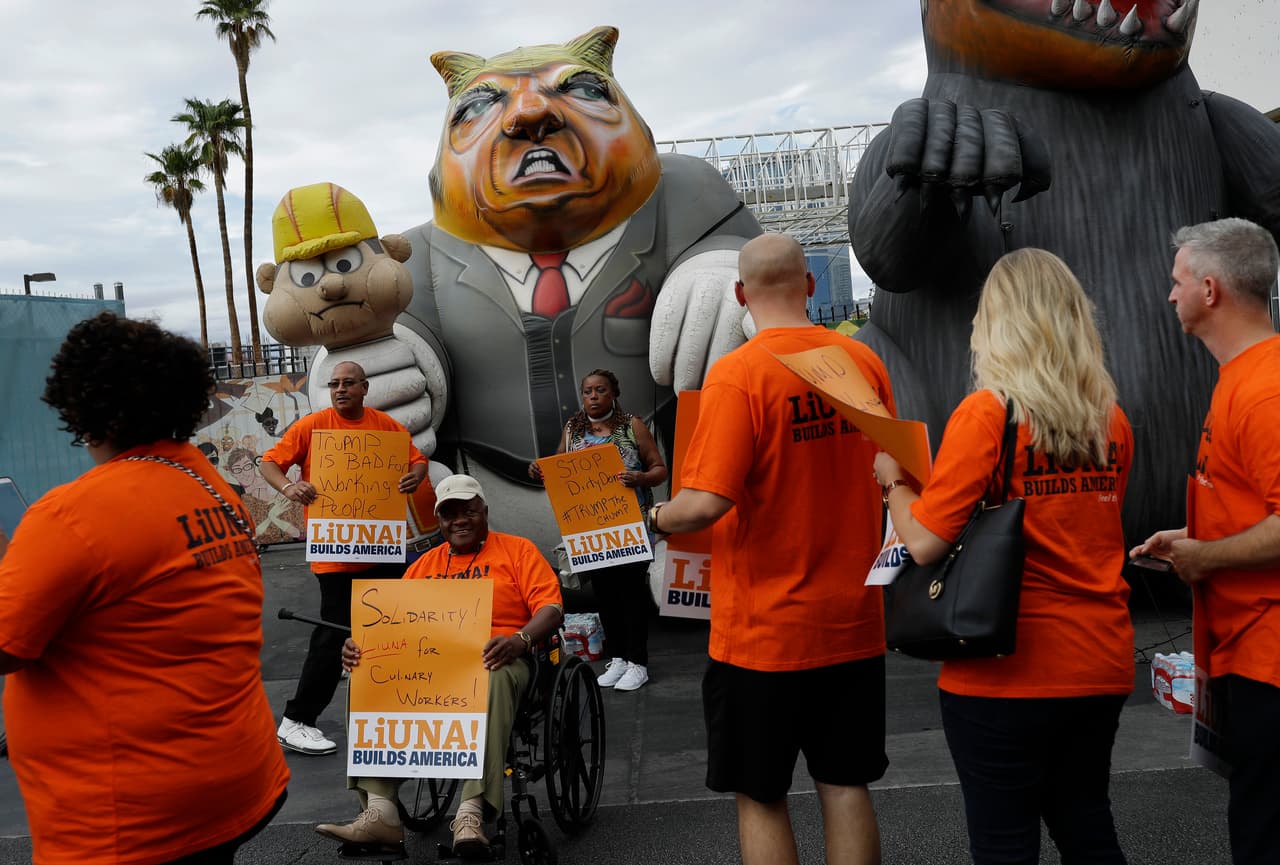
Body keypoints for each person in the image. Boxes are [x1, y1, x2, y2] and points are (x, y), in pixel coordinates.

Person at [0, 312, 290, 864]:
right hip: (232, 780)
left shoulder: (70, 514)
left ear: (81, 409)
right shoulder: (208, 486)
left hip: (131, 820)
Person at [875, 248, 1134, 865]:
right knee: (1088, 828)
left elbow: (928, 541)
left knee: (1003, 844)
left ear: (998, 325)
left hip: (1002, 669)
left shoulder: (988, 414)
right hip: (1099, 658)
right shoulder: (1111, 420)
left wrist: (896, 484)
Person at [648, 233, 892, 865]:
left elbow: (704, 503)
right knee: (845, 783)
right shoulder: (861, 362)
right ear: (810, 286)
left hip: (764, 633)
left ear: (739, 296)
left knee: (761, 794)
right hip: (854, 619)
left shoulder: (740, 373)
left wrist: (657, 514)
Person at [1131, 218, 1280, 865]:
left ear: (1211, 289)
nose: (1170, 295)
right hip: (1248, 651)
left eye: (1178, 281)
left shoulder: (1265, 387)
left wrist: (1207, 555)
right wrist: (1196, 535)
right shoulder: (1243, 377)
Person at [316, 474, 564, 857]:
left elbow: (550, 608)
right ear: (440, 522)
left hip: (500, 657)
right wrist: (360, 645)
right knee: (365, 675)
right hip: (432, 667)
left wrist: (520, 640)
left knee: (491, 676)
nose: (460, 520)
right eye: (450, 515)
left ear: (485, 512)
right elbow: (391, 623)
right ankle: (381, 810)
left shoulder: (517, 551)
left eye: (469, 511)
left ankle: (471, 811)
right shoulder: (425, 564)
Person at [260, 360, 429, 755]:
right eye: (334, 384)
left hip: (381, 547)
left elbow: (416, 459)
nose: (340, 389)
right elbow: (268, 463)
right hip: (336, 554)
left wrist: (416, 476)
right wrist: (288, 488)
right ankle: (297, 720)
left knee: (386, 633)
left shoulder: (385, 426)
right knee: (334, 634)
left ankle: (386, 715)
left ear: (365, 387)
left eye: (348, 383)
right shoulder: (312, 427)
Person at [530, 368, 667, 691]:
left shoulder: (632, 426)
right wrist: (538, 468)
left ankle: (638, 663)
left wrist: (640, 478)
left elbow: (659, 469)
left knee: (631, 596)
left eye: (600, 390)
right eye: (588, 391)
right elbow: (558, 468)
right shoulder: (573, 429)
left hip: (629, 528)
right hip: (591, 530)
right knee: (605, 596)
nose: (593, 396)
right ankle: (618, 658)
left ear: (613, 394)